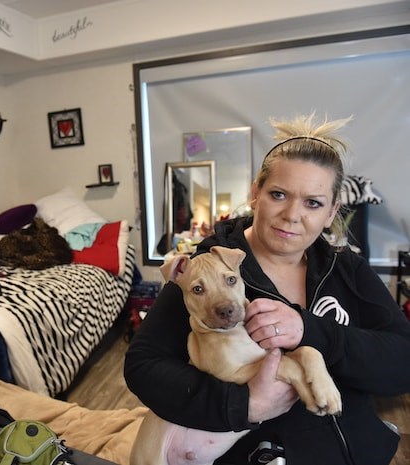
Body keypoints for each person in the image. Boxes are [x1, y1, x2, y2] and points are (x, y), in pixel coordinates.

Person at [124, 113, 410, 465]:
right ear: (255, 193)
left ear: (332, 210)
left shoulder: (348, 269)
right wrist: (241, 405)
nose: (292, 215)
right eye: (278, 194)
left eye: (313, 203)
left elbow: (403, 361)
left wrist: (311, 330)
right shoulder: (208, 270)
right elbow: (142, 366)